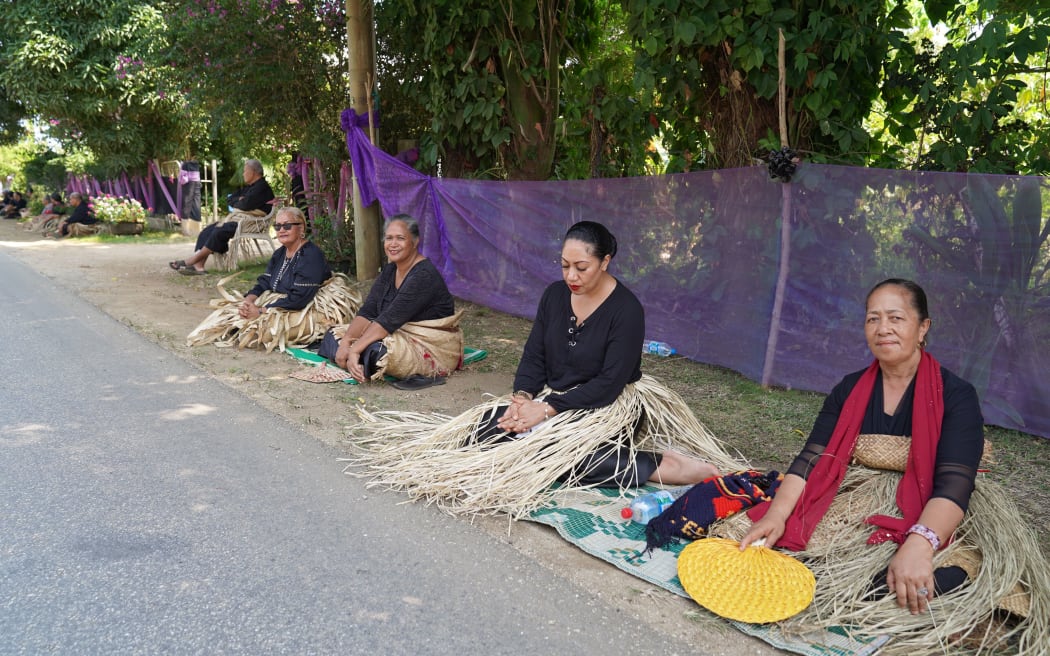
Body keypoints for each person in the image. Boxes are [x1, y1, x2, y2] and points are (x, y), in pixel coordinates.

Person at [717, 279, 1049, 652]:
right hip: (857, 495)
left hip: (934, 507)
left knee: (892, 583)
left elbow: (955, 482)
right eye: (873, 319)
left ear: (923, 327)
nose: (883, 328)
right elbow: (812, 459)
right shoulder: (849, 388)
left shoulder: (957, 396)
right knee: (758, 547)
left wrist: (920, 544)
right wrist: (777, 514)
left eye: (896, 318)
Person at [348, 221, 739, 517]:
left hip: (605, 408)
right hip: (551, 404)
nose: (571, 276)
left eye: (582, 267)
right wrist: (522, 398)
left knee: (566, 457)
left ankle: (670, 467)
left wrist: (546, 410)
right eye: (565, 265)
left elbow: (609, 383)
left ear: (605, 262)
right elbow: (535, 355)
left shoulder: (626, 310)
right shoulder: (555, 296)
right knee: (489, 429)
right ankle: (548, 436)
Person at [186, 207, 360, 352]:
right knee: (238, 323)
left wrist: (261, 311)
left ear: (301, 228)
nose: (281, 230)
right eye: (277, 227)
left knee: (259, 335)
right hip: (282, 302)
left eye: (287, 225)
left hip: (308, 306)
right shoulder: (279, 254)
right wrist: (249, 300)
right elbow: (265, 281)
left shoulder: (311, 255)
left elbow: (300, 298)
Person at [321, 214, 462, 387]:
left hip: (425, 342)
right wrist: (346, 342)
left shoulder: (423, 275)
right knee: (332, 335)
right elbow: (369, 311)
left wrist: (354, 350)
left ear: (415, 241)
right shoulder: (390, 270)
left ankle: (359, 358)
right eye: (389, 238)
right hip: (395, 331)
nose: (393, 244)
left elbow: (388, 320)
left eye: (400, 238)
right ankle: (357, 358)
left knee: (376, 352)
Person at [170, 159, 274, 274]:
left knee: (219, 231)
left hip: (252, 222)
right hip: (239, 219)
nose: (243, 174)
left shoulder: (262, 187)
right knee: (208, 230)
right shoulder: (248, 187)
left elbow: (244, 205)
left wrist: (240, 202)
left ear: (253, 172)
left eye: (245, 171)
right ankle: (199, 266)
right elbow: (230, 199)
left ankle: (192, 261)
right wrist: (239, 201)